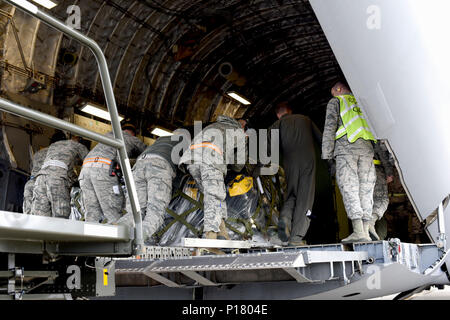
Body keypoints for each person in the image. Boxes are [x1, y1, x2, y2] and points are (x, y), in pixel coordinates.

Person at [321, 81, 377, 243]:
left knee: (349, 186)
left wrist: (327, 155)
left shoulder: (336, 101)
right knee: (366, 189)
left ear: (338, 89)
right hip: (366, 149)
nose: (332, 95)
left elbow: (330, 128)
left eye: (333, 91)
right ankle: (365, 231)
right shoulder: (362, 103)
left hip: (346, 148)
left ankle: (359, 231)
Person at [178, 115, 247, 240]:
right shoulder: (239, 133)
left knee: (214, 198)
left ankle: (222, 231)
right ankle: (211, 234)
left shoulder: (213, 126)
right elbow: (239, 164)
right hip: (210, 160)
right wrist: (234, 168)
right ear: (242, 126)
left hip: (191, 161)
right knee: (215, 197)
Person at [269, 102, 322, 246]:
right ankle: (296, 238)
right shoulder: (305, 120)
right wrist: (331, 163)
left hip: (289, 163)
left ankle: (285, 218)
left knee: (291, 194)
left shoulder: (276, 125)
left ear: (278, 114)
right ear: (290, 111)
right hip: (307, 163)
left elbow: (267, 149)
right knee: (305, 199)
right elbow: (321, 140)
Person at [117, 134, 182, 241]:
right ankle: (136, 242)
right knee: (155, 212)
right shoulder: (186, 140)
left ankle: (115, 233)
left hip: (138, 165)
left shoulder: (161, 139)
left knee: (135, 212)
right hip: (160, 165)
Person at [79, 123, 146, 224]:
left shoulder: (107, 136)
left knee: (92, 212)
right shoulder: (130, 138)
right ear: (133, 134)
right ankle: (115, 239)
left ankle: (91, 238)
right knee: (113, 212)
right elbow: (147, 152)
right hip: (102, 172)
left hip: (85, 171)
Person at [31, 133, 88, 218]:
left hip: (40, 178)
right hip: (56, 179)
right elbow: (89, 162)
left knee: (40, 215)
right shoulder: (78, 146)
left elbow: (61, 167)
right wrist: (79, 181)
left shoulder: (54, 145)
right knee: (61, 214)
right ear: (79, 140)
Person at [369, 140, 394, 240]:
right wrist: (389, 171)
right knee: (381, 200)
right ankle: (370, 223)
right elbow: (381, 151)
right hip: (375, 169)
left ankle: (363, 232)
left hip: (356, 172)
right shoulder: (369, 131)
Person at [23, 147, 48, 214]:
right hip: (41, 184)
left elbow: (32, 167)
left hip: (30, 183)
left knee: (27, 212)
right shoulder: (55, 154)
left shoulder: (37, 153)